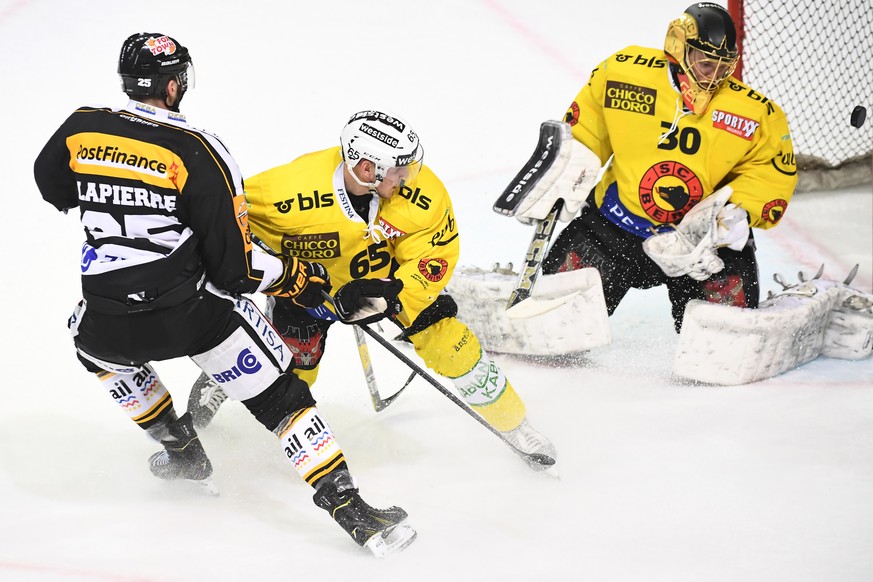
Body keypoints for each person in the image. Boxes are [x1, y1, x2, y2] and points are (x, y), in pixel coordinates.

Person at [33, 33, 415, 558]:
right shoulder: (198, 149)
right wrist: (300, 279)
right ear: (174, 85)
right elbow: (235, 272)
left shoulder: (80, 126)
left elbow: (50, 184)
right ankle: (352, 509)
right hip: (193, 317)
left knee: (89, 344)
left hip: (107, 318)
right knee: (283, 397)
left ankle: (182, 449)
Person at [190, 109, 556, 470]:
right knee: (293, 370)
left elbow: (436, 255)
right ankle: (229, 378)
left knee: (452, 345)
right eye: (400, 170)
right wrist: (282, 271)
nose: (409, 177)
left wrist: (393, 292)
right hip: (312, 289)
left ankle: (516, 425)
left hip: (390, 283)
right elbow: (223, 219)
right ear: (367, 168)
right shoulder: (287, 190)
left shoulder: (423, 193)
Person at [520, 3, 798, 332]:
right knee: (554, 327)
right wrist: (568, 166)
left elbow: (770, 172)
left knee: (726, 344)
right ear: (679, 48)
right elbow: (587, 130)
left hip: (701, 247)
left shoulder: (756, 113)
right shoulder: (623, 74)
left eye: (725, 67)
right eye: (706, 64)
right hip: (613, 230)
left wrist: (738, 214)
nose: (715, 77)